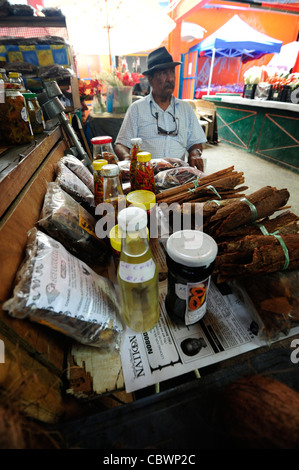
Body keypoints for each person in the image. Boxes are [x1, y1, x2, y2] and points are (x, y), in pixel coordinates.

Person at [114, 47, 207, 171]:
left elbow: (195, 142)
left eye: (172, 72)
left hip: (177, 175)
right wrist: (127, 159)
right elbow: (121, 144)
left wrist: (195, 153)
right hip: (147, 175)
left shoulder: (185, 109)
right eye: (163, 73)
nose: (170, 78)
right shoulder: (137, 109)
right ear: (150, 79)